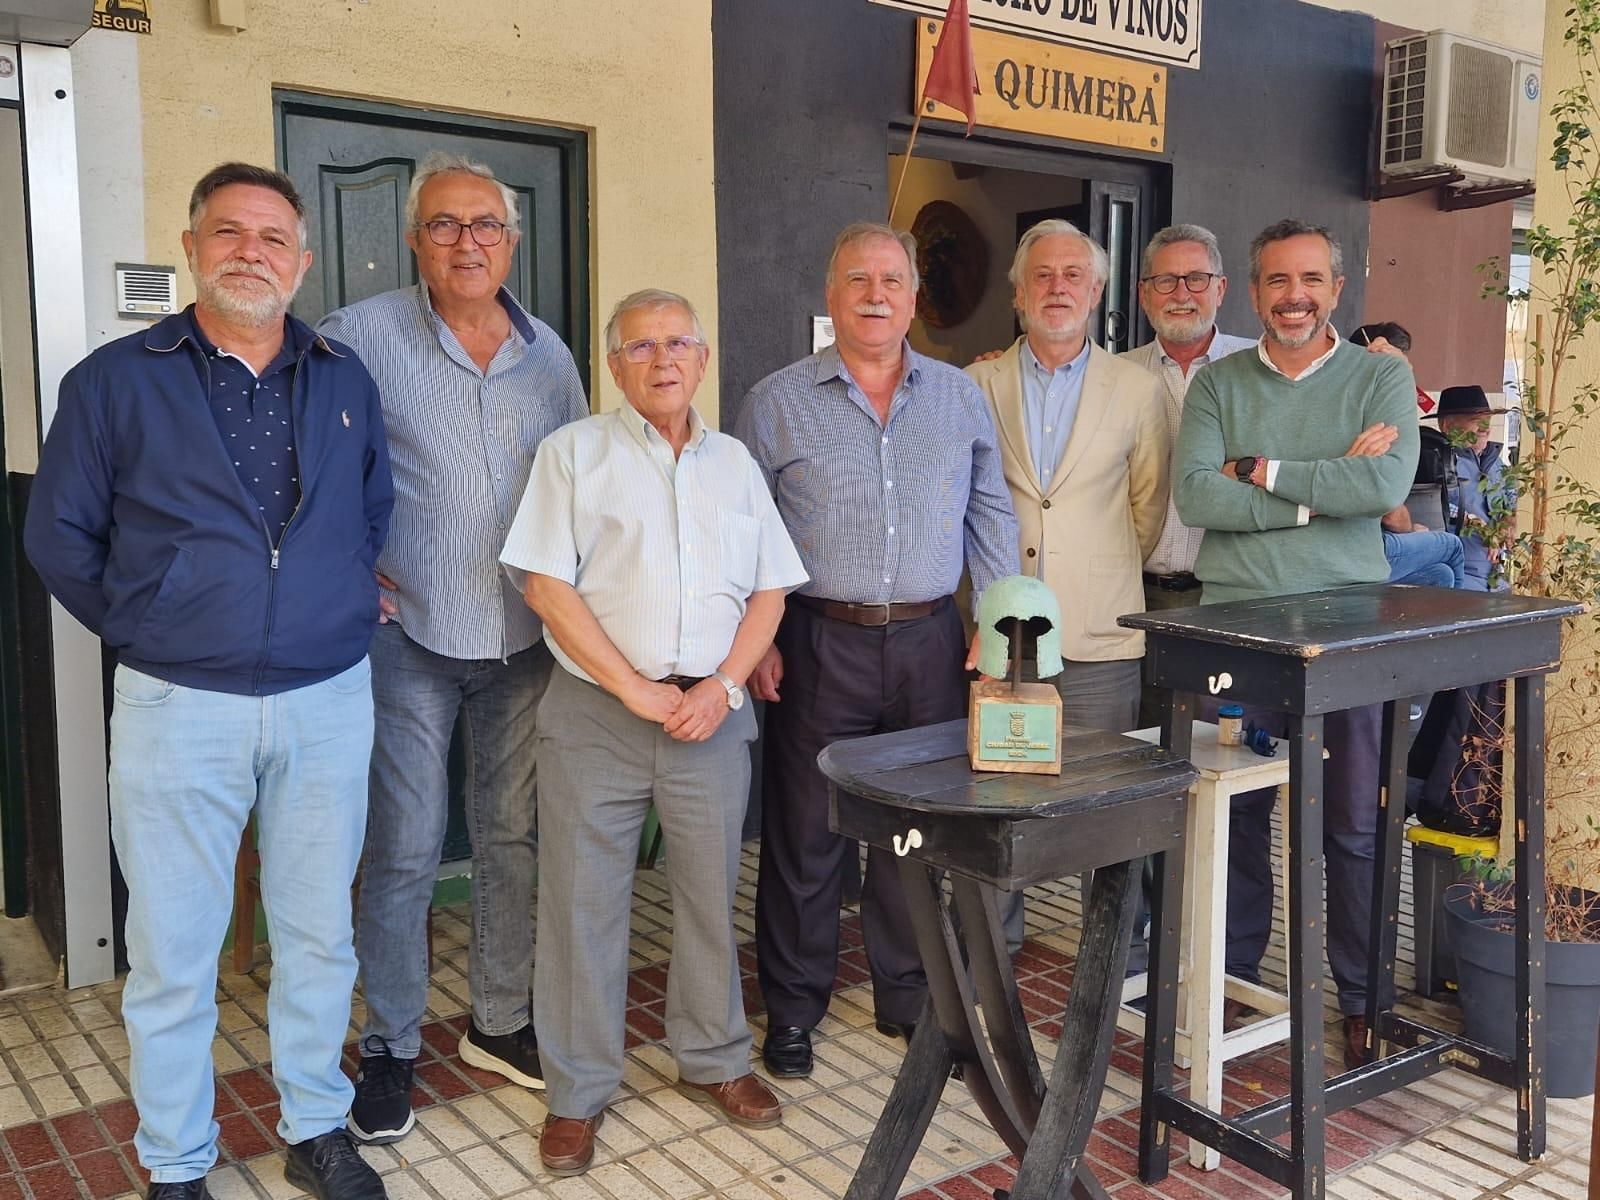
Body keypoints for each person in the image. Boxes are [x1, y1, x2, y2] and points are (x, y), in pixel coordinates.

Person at [25, 163, 392, 1200]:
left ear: (303, 260)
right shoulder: (113, 380)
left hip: (327, 699)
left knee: (318, 935)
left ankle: (316, 1125)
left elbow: (371, 517)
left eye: (273, 238)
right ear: (191, 247)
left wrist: (327, 600)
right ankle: (177, 1163)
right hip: (177, 706)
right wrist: (158, 625)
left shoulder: (342, 376)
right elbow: (59, 538)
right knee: (174, 951)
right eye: (228, 233)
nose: (251, 252)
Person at [503, 289, 807, 1176]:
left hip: (709, 716)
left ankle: (714, 1059)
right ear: (614, 364)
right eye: (641, 347)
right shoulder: (573, 454)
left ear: (703, 359)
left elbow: (770, 592)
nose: (662, 359)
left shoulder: (737, 464)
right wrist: (631, 686)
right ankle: (578, 1091)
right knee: (580, 903)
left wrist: (720, 683)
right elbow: (545, 587)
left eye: (678, 343)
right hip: (597, 713)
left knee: (712, 896)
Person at [317, 152, 588, 1143]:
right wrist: (348, 563)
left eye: (483, 226)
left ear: (511, 242)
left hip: (523, 640)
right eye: (444, 225)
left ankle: (500, 1021)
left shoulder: (550, 356)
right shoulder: (357, 338)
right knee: (404, 846)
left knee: (512, 839)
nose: (466, 242)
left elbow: (575, 489)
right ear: (413, 238)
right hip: (411, 639)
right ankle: (390, 1045)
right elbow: (305, 461)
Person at [736, 222, 1019, 1079]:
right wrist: (754, 645)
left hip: (933, 640)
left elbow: (993, 511)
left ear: (912, 296)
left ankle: (909, 995)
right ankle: (793, 1008)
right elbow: (741, 531)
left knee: (914, 834)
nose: (874, 294)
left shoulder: (959, 397)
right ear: (829, 295)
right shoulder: (776, 398)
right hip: (818, 640)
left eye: (891, 280)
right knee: (805, 833)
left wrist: (999, 624)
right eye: (856, 278)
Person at [1172, 218, 1418, 1070]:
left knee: (1351, 822)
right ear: (1253, 289)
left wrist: (1264, 470)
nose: (1295, 297)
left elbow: (1385, 482)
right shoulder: (1217, 386)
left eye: (1311, 280)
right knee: (1233, 817)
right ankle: (1233, 982)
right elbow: (1198, 498)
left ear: (1336, 290)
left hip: (1347, 626)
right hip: (1235, 625)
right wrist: (1324, 491)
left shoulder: (1380, 379)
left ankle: (1363, 1000)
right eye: (1278, 281)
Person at [965, 219, 1168, 956]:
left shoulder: (1138, 388)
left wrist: (1094, 566)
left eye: (1072, 275)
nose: (1058, 287)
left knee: (1103, 796)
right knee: (997, 793)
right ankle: (994, 949)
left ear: (1097, 291)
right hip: (998, 625)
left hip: (1100, 625)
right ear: (1018, 292)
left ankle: (1114, 950)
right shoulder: (974, 382)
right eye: (1042, 274)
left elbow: (1147, 506)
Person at [1348, 323, 1467, 589]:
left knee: (1440, 575)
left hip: (1362, 541)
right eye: (1402, 371)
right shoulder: (1372, 417)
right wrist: (1411, 529)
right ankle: (1462, 630)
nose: (1409, 382)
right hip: (1359, 546)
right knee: (1452, 546)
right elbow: (1387, 508)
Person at [1429, 384, 1516, 591]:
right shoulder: (1433, 459)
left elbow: (1513, 496)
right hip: (1459, 579)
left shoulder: (1495, 462)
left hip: (1498, 580)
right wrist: (1473, 522)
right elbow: (1431, 506)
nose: (1485, 427)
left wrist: (1510, 519)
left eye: (1488, 419)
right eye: (1476, 420)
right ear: (1447, 426)